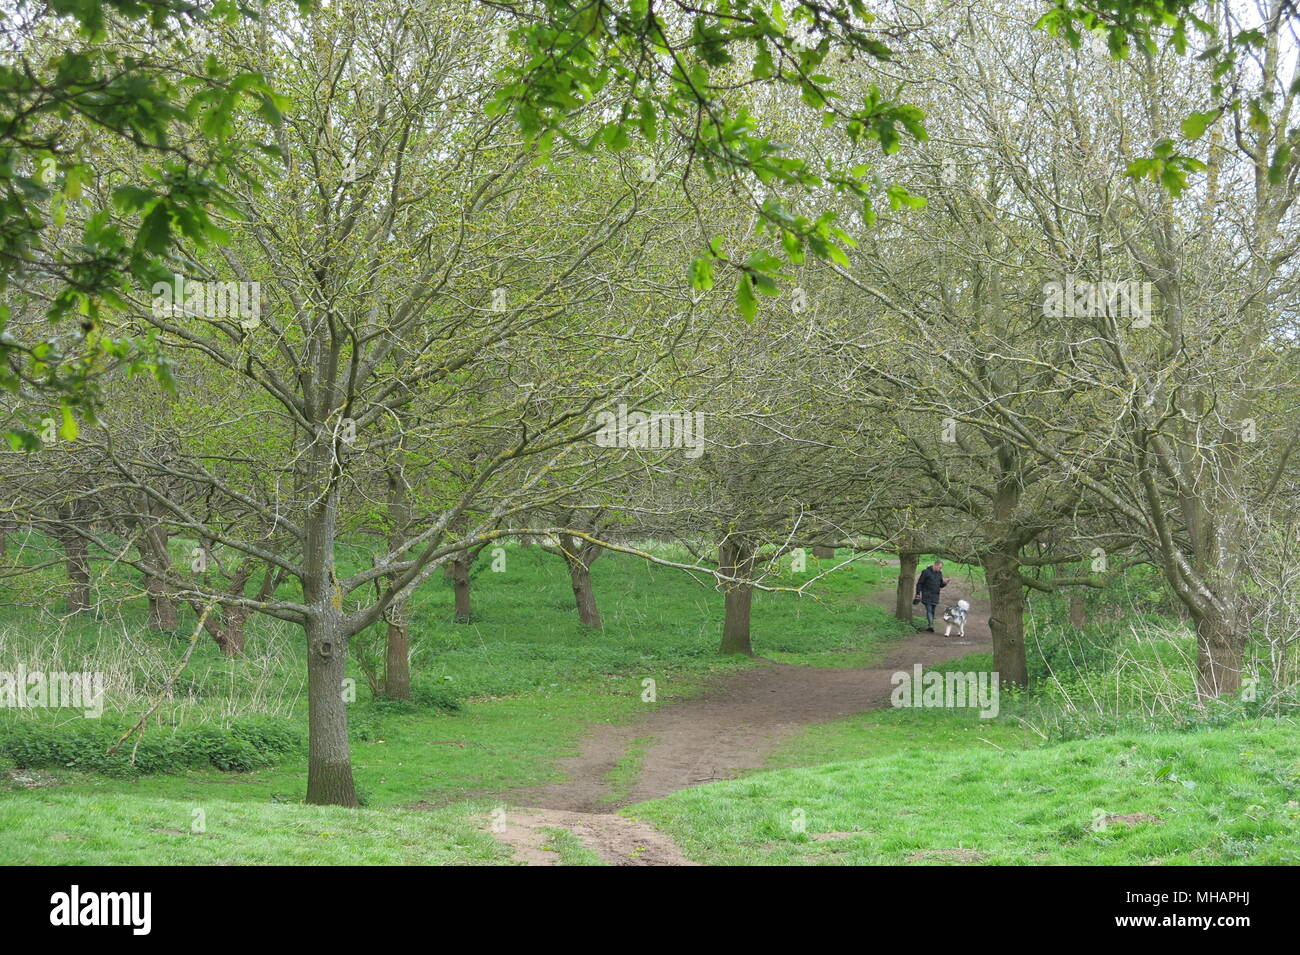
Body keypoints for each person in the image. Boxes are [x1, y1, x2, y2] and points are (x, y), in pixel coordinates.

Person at [913, 559, 947, 632]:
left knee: (932, 611)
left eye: (941, 568)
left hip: (935, 595)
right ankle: (931, 625)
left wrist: (945, 583)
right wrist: (918, 593)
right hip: (927, 594)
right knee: (929, 610)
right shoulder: (925, 572)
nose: (940, 569)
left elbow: (940, 585)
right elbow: (919, 583)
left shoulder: (939, 573)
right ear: (935, 565)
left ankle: (930, 626)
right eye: (939, 567)